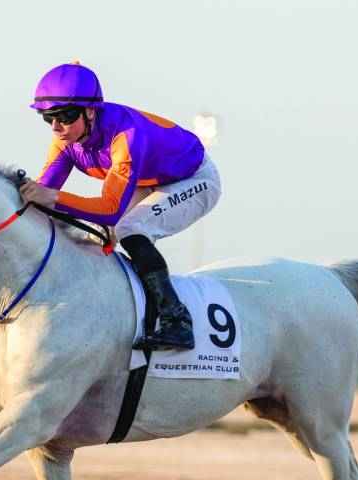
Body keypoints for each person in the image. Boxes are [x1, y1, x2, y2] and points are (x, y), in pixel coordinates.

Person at [19, 61, 221, 352]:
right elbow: (41, 197)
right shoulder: (65, 140)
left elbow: (110, 209)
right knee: (93, 236)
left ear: (91, 111)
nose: (55, 126)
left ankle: (176, 320)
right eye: (47, 117)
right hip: (147, 179)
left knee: (129, 228)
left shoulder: (126, 136)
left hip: (193, 179)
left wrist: (53, 197)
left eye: (64, 115)